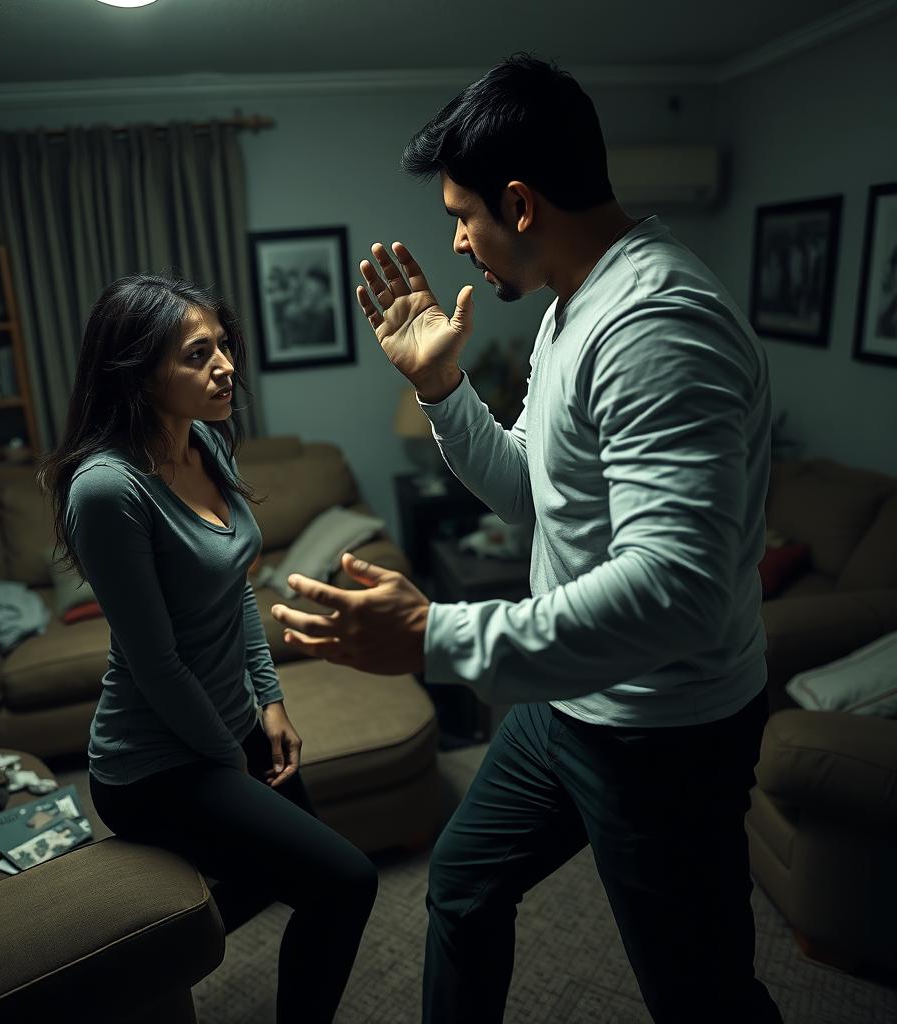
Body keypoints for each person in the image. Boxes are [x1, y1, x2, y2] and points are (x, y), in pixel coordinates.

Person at [270, 56, 783, 1024]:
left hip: (660, 733)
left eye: (462, 214)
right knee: (461, 883)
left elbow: (677, 591)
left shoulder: (655, 323)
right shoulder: (568, 306)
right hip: (567, 701)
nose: (457, 241)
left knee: (702, 994)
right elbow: (531, 494)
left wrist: (437, 634)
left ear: (518, 202)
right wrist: (439, 390)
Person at [38, 273, 377, 1024]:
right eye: (197, 354)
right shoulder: (108, 489)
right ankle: (135, 974)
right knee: (347, 881)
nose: (225, 365)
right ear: (138, 369)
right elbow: (154, 663)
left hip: (231, 730)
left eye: (223, 346)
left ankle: (140, 972)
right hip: (155, 764)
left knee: (296, 874)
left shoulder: (207, 441)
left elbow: (236, 587)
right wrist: (237, 766)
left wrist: (271, 701)